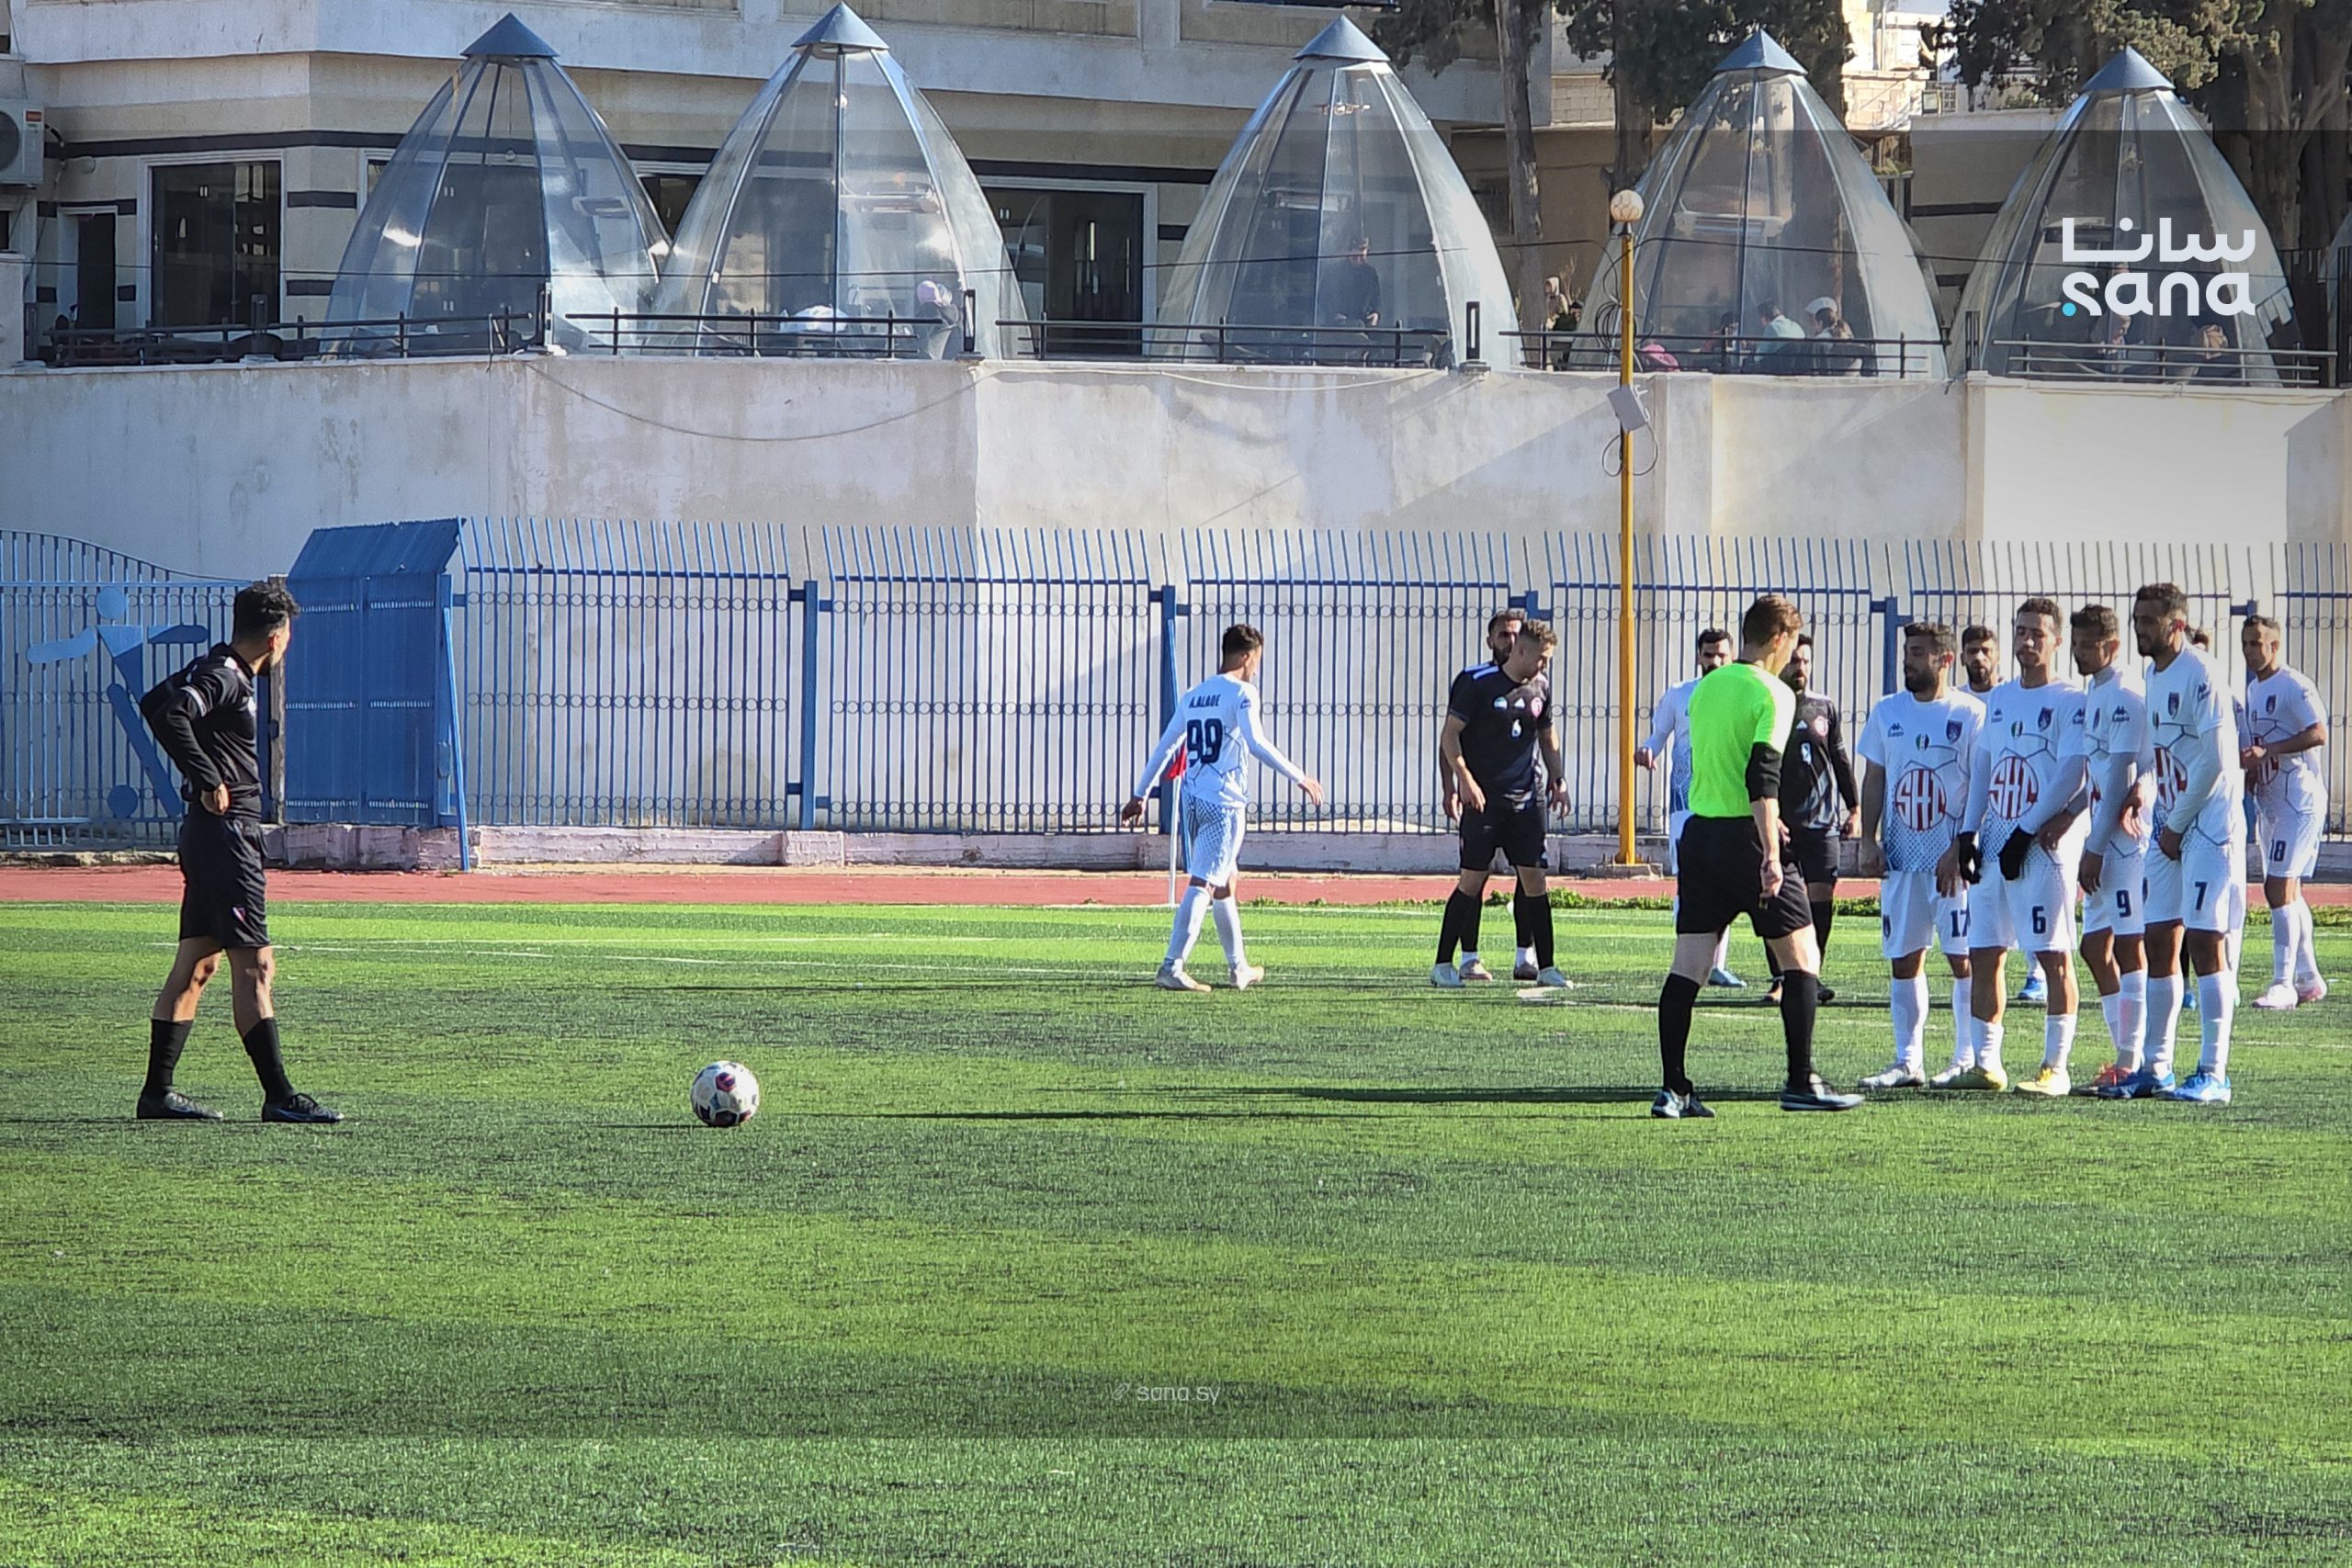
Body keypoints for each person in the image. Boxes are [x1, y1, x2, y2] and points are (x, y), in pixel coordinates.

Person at [134, 581, 340, 1123]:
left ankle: (157, 1094)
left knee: (198, 963)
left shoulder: (221, 668)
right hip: (227, 838)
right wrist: (207, 776)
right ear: (276, 637)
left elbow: (153, 702)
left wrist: (204, 771)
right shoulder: (227, 676)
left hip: (211, 836)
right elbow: (172, 713)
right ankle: (280, 1096)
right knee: (256, 965)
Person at [1652, 595, 1862, 1117]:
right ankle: (1801, 1081)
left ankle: (1674, 1089)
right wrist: (1771, 851)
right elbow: (1761, 777)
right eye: (1792, 645)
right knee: (1803, 959)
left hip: (1699, 836)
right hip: (1747, 839)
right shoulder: (1774, 692)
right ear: (1779, 639)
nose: (1793, 656)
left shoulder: (1707, 687)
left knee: (1689, 966)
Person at [1125, 625, 1326, 991]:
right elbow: (1256, 742)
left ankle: (1239, 967)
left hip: (1193, 799)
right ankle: (1172, 966)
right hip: (1224, 804)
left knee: (1225, 880)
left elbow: (1166, 746)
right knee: (1204, 881)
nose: (1256, 669)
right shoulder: (1243, 693)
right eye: (1257, 661)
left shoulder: (1195, 695)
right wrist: (1299, 776)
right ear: (1247, 657)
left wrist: (1140, 794)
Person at [2105, 583, 2246, 1103]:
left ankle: (2213, 1073)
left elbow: (2213, 760)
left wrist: (2177, 824)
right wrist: (2145, 789)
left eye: (2150, 621)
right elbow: (2162, 752)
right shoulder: (2152, 673)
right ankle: (2157, 1066)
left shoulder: (2201, 672)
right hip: (2170, 820)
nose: (2140, 629)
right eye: (2137, 619)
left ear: (2177, 625)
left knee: (2206, 941)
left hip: (2207, 824)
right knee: (2159, 938)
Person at [1953, 597, 2090, 1095]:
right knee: (1984, 951)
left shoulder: (2070, 701)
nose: (2028, 641)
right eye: (2021, 631)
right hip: (1996, 842)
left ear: (2057, 641)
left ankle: (2056, 1067)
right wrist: (1968, 832)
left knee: (2053, 954)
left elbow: (2071, 774)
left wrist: (2027, 831)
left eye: (2038, 633)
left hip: (2042, 849)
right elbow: (1985, 767)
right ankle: (1986, 1063)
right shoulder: (2002, 698)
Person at [1853, 623, 1984, 1089]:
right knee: (1904, 959)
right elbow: (1875, 777)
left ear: (1944, 659)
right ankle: (1908, 1062)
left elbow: (1981, 784)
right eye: (1908, 651)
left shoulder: (1970, 714)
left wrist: (1961, 845)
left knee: (1964, 959)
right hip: (1902, 859)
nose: (1908, 661)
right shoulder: (1887, 711)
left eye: (1918, 653)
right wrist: (1868, 839)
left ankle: (1966, 1057)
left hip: (1953, 864)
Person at [1435, 622, 1571, 990]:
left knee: (1535, 881)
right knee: (1472, 881)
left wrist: (1558, 779)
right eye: (1542, 658)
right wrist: (1464, 781)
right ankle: (1443, 964)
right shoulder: (1476, 682)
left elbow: (1547, 736)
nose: (1544, 666)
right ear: (1522, 652)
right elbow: (1450, 736)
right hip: (1484, 802)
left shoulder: (1540, 686)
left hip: (1527, 800)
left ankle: (1547, 967)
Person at [2072, 604, 2154, 1094]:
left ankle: (2131, 1058)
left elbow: (2123, 775)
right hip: (2101, 835)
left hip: (2124, 843)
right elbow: (2098, 775)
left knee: (2127, 944)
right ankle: (2126, 1051)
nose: (2080, 653)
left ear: (2113, 646)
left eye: (2089, 645)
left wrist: (2096, 847)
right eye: (2077, 644)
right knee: (2092, 947)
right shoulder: (2095, 690)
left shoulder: (2124, 696)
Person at [1637, 627, 1745, 989]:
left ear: (1732, 656)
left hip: (1726, 805)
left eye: (1721, 655)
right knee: (1689, 883)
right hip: (1686, 807)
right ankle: (1687, 962)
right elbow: (1658, 736)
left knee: (1725, 883)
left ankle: (1717, 964)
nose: (1715, 661)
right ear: (1699, 656)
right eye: (1708, 655)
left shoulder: (1739, 694)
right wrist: (1647, 750)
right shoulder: (1679, 694)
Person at [1764, 633, 1860, 1006]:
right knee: (1777, 898)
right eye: (1794, 660)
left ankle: (1810, 974)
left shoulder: (1824, 708)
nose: (1799, 667)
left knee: (1821, 896)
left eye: (1805, 661)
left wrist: (1854, 807)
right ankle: (1781, 977)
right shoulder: (1769, 702)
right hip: (1780, 823)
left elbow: (1840, 759)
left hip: (1822, 823)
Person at [2240, 615, 2330, 1010]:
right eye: (2245, 643)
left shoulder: (2294, 685)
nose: (2250, 651)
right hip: (2272, 803)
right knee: (2288, 890)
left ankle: (2283, 984)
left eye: (2257, 643)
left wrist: (2269, 752)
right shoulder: (2253, 689)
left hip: (2299, 801)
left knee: (2278, 888)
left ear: (2274, 646)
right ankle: (2309, 978)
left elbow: (2319, 732)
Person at [1324, 236, 1382, 331]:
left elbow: (1376, 299)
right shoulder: (1334, 272)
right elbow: (1323, 298)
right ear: (1349, 252)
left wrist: (1376, 314)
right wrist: (1333, 315)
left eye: (1362, 257)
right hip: (1339, 327)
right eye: (1355, 257)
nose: (1358, 260)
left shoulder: (1371, 273)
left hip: (1364, 326)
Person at [1750, 300, 1808, 371]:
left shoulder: (1772, 327)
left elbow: (1758, 357)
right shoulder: (1797, 326)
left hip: (1779, 370)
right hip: (1799, 369)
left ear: (1764, 318)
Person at [1962, 626, 2000, 698]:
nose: (1979, 657)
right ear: (1963, 658)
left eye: (1986, 651)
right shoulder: (1955, 700)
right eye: (1972, 651)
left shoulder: (2012, 694)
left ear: (1998, 657)